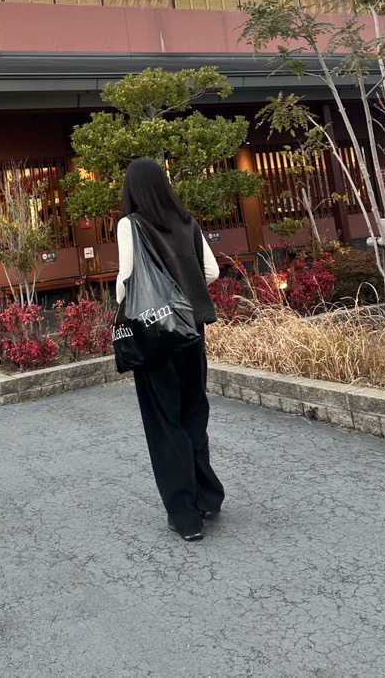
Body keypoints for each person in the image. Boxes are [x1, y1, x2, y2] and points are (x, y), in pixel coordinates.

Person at [116, 157, 224, 543]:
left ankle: (184, 514)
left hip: (156, 334)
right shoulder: (187, 222)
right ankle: (208, 497)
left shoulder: (131, 225)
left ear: (132, 189)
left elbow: (126, 282)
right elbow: (211, 272)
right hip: (191, 331)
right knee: (194, 411)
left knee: (165, 422)